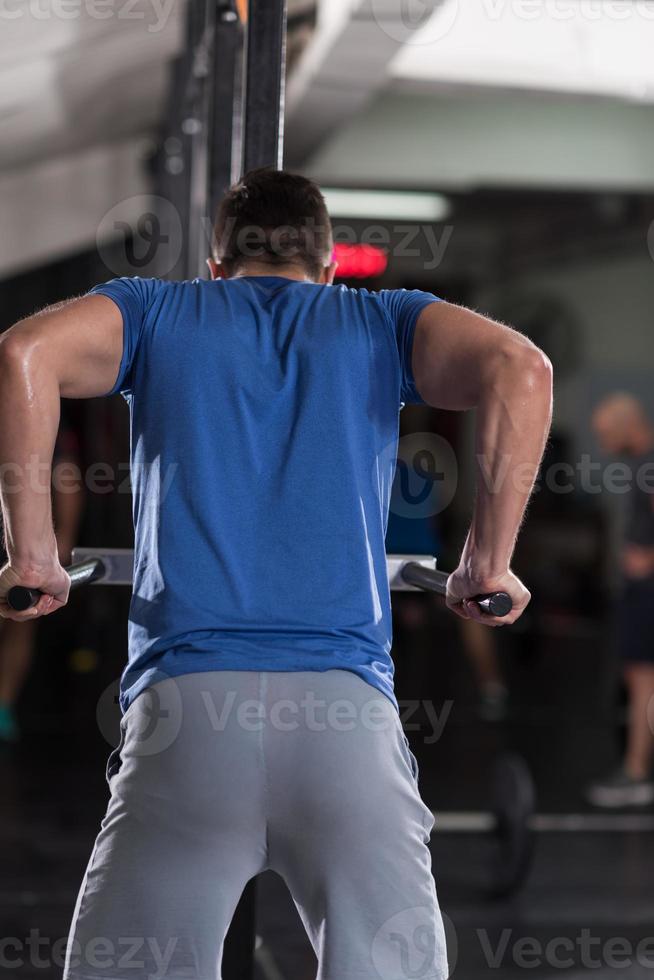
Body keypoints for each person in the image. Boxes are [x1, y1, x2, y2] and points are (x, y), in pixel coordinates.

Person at [0, 169, 552, 980]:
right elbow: (523, 368)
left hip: (187, 720)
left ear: (217, 267)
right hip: (346, 727)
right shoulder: (377, 319)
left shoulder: (155, 313)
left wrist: (34, 553)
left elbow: (24, 352)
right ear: (327, 268)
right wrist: (487, 562)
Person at [587, 393, 654, 808]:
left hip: (647, 591)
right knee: (637, 681)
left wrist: (646, 564)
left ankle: (635, 772)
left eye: (607, 433)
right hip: (639, 590)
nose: (603, 442)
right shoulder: (640, 464)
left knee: (642, 680)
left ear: (630, 425)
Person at [0, 406, 83, 741]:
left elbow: (67, 476)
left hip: (18, 541)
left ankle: (3, 705)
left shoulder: (35, 411)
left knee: (19, 626)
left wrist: (62, 540)